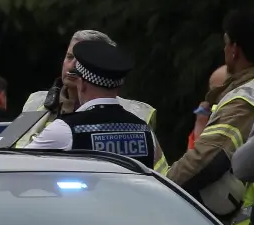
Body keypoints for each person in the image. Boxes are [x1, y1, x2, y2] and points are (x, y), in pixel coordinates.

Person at [169, 10, 254, 225]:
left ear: (235, 50)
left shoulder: (247, 99)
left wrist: (161, 187)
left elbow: (206, 159)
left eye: (226, 43)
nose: (224, 49)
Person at [21, 40, 159, 166]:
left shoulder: (66, 129)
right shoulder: (145, 132)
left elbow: (19, 165)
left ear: (81, 84)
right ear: (119, 86)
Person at [191, 64, 230, 152]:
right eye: (211, 94)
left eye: (219, 94)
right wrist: (200, 123)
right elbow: (193, 155)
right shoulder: (206, 121)